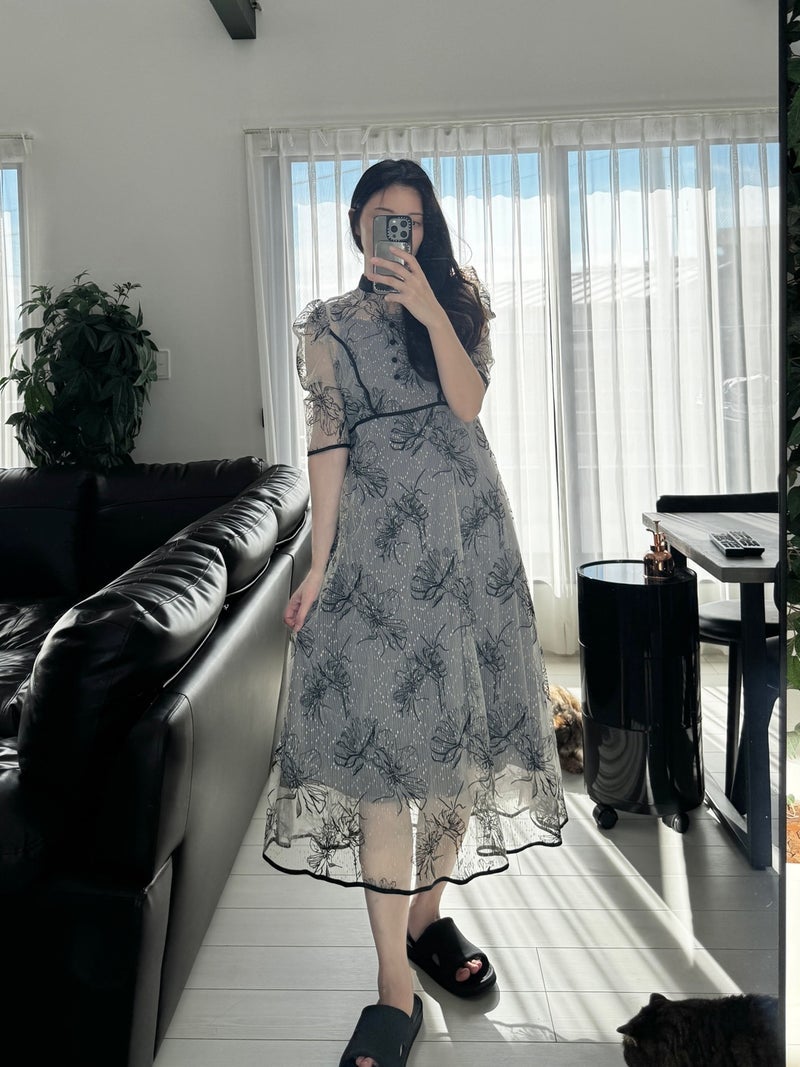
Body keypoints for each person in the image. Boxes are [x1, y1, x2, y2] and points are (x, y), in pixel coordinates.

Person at [263, 158, 567, 1067]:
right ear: (357, 224)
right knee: (386, 762)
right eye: (383, 218)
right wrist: (319, 564)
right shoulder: (327, 325)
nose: (400, 232)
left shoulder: (460, 305)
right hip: (382, 555)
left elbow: (468, 404)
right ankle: (394, 986)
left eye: (414, 220)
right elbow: (327, 445)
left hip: (470, 541)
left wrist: (432, 308)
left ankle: (426, 916)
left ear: (425, 230)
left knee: (458, 749)